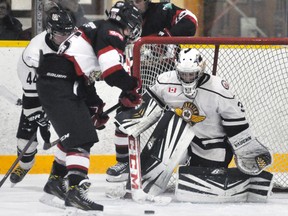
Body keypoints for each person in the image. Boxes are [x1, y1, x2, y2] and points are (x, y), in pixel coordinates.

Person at [115, 48, 273, 201]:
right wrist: (130, 115)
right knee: (172, 118)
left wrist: (245, 147)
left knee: (199, 182)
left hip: (211, 144)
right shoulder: (165, 81)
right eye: (183, 74)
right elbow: (146, 107)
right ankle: (147, 181)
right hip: (178, 139)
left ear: (201, 70)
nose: (187, 77)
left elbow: (236, 124)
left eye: (192, 74)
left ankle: (238, 181)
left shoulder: (218, 89)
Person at [36, 1, 142, 213]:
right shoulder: (113, 32)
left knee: (73, 134)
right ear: (129, 23)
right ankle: (75, 191)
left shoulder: (99, 28)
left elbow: (84, 74)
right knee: (82, 137)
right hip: (60, 82)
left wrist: (95, 105)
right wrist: (132, 87)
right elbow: (112, 73)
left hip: (59, 80)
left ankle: (55, 182)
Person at [106, 0, 198, 182]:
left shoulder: (164, 10)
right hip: (141, 77)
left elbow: (191, 20)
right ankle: (124, 162)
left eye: (138, 0)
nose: (135, 3)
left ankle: (194, 159)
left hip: (172, 76)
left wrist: (165, 36)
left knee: (190, 115)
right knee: (125, 115)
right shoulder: (122, 15)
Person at [9, 8, 75, 185]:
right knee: (25, 142)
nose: (66, 37)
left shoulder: (75, 40)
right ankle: (25, 164)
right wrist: (40, 116)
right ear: (50, 31)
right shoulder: (34, 53)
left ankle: (68, 171)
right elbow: (31, 100)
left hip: (62, 89)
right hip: (36, 89)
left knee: (73, 133)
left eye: (69, 32)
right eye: (61, 33)